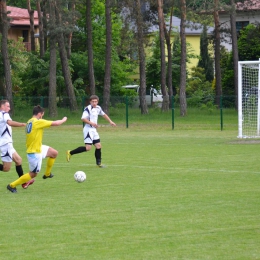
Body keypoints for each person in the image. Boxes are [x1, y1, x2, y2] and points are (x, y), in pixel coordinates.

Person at [7, 105, 67, 193]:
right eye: (42, 115)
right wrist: (64, 119)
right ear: (39, 114)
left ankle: (47, 174)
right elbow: (56, 123)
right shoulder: (37, 122)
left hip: (38, 147)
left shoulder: (29, 121)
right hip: (34, 152)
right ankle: (11, 185)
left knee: (54, 153)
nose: (42, 117)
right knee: (33, 174)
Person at [66, 95, 116, 167]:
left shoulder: (98, 108)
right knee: (88, 148)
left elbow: (104, 114)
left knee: (98, 146)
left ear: (97, 102)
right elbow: (83, 119)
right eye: (93, 101)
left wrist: (110, 121)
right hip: (88, 130)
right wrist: (92, 123)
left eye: (96, 101)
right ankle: (70, 152)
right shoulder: (87, 109)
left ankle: (99, 164)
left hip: (94, 130)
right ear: (90, 102)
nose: (94, 103)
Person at [0, 100, 34, 189]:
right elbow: (10, 123)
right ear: (2, 106)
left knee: (18, 160)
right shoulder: (4, 114)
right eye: (7, 106)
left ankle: (23, 182)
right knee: (6, 168)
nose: (9, 108)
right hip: (5, 144)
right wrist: (22, 124)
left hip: (8, 144)